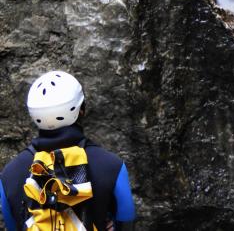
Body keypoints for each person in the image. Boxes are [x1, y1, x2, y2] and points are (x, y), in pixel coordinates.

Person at [0, 71, 135, 231]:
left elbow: (13, 226)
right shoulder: (112, 166)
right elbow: (127, 222)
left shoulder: (9, 175)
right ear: (82, 110)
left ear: (34, 115)